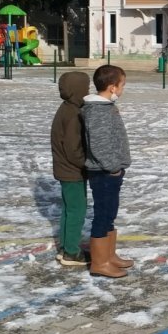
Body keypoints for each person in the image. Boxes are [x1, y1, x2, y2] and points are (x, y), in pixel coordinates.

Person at [83, 65, 133, 278]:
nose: (122, 89)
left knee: (110, 213)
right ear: (112, 87)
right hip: (103, 172)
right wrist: (112, 167)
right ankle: (99, 263)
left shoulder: (106, 107)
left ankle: (109, 255)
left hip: (111, 170)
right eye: (122, 85)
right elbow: (100, 145)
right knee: (102, 216)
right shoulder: (98, 111)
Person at [50, 72, 91, 266]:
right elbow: (73, 149)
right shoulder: (73, 114)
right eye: (86, 88)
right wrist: (87, 164)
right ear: (77, 90)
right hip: (72, 171)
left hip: (65, 169)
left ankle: (66, 247)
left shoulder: (67, 108)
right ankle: (72, 252)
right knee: (77, 210)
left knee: (68, 209)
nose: (87, 92)